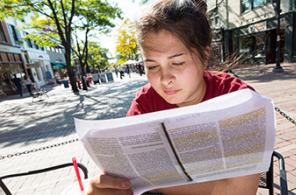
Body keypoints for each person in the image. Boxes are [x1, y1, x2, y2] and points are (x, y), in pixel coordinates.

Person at [87, 0, 260, 195]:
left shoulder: (237, 98)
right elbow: (125, 174)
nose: (165, 79)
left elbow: (239, 191)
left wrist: (149, 182)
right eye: (152, 66)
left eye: (177, 62)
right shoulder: (146, 102)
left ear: (205, 56)